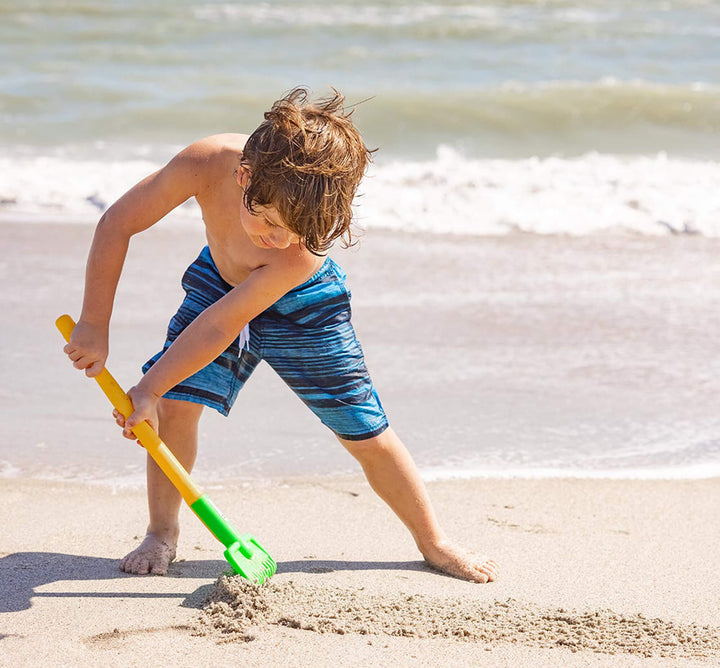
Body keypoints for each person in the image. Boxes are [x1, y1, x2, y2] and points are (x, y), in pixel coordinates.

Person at [63, 88, 498, 583]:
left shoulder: (298, 252)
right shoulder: (207, 162)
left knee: (364, 430)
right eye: (267, 220)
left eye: (296, 229)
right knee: (174, 409)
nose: (279, 238)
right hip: (219, 283)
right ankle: (161, 533)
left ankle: (433, 541)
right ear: (245, 177)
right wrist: (95, 325)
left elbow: (223, 326)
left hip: (303, 306)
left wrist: (145, 388)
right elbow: (118, 223)